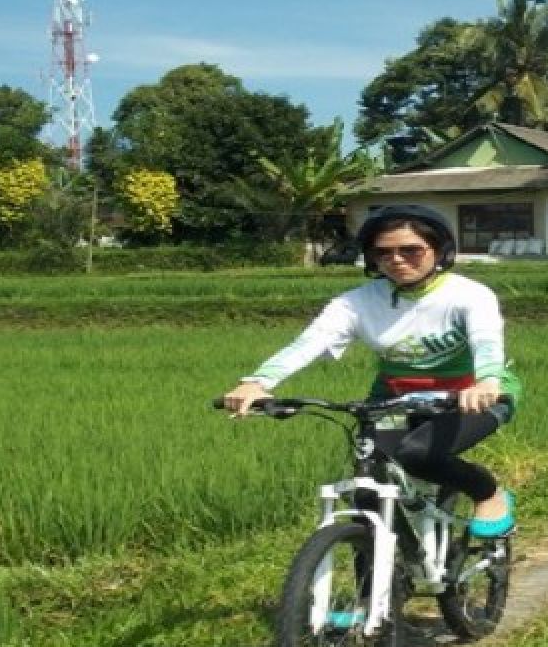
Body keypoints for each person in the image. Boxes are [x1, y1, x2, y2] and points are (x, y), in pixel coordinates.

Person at [221, 204, 521, 538]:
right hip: (394, 398)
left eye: (410, 250)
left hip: (471, 395)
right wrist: (257, 382)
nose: (396, 259)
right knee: (368, 490)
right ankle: (381, 581)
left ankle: (489, 494)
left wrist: (487, 381)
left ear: (438, 250)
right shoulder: (357, 302)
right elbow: (311, 341)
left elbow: (486, 340)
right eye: (383, 252)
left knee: (419, 455)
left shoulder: (468, 295)